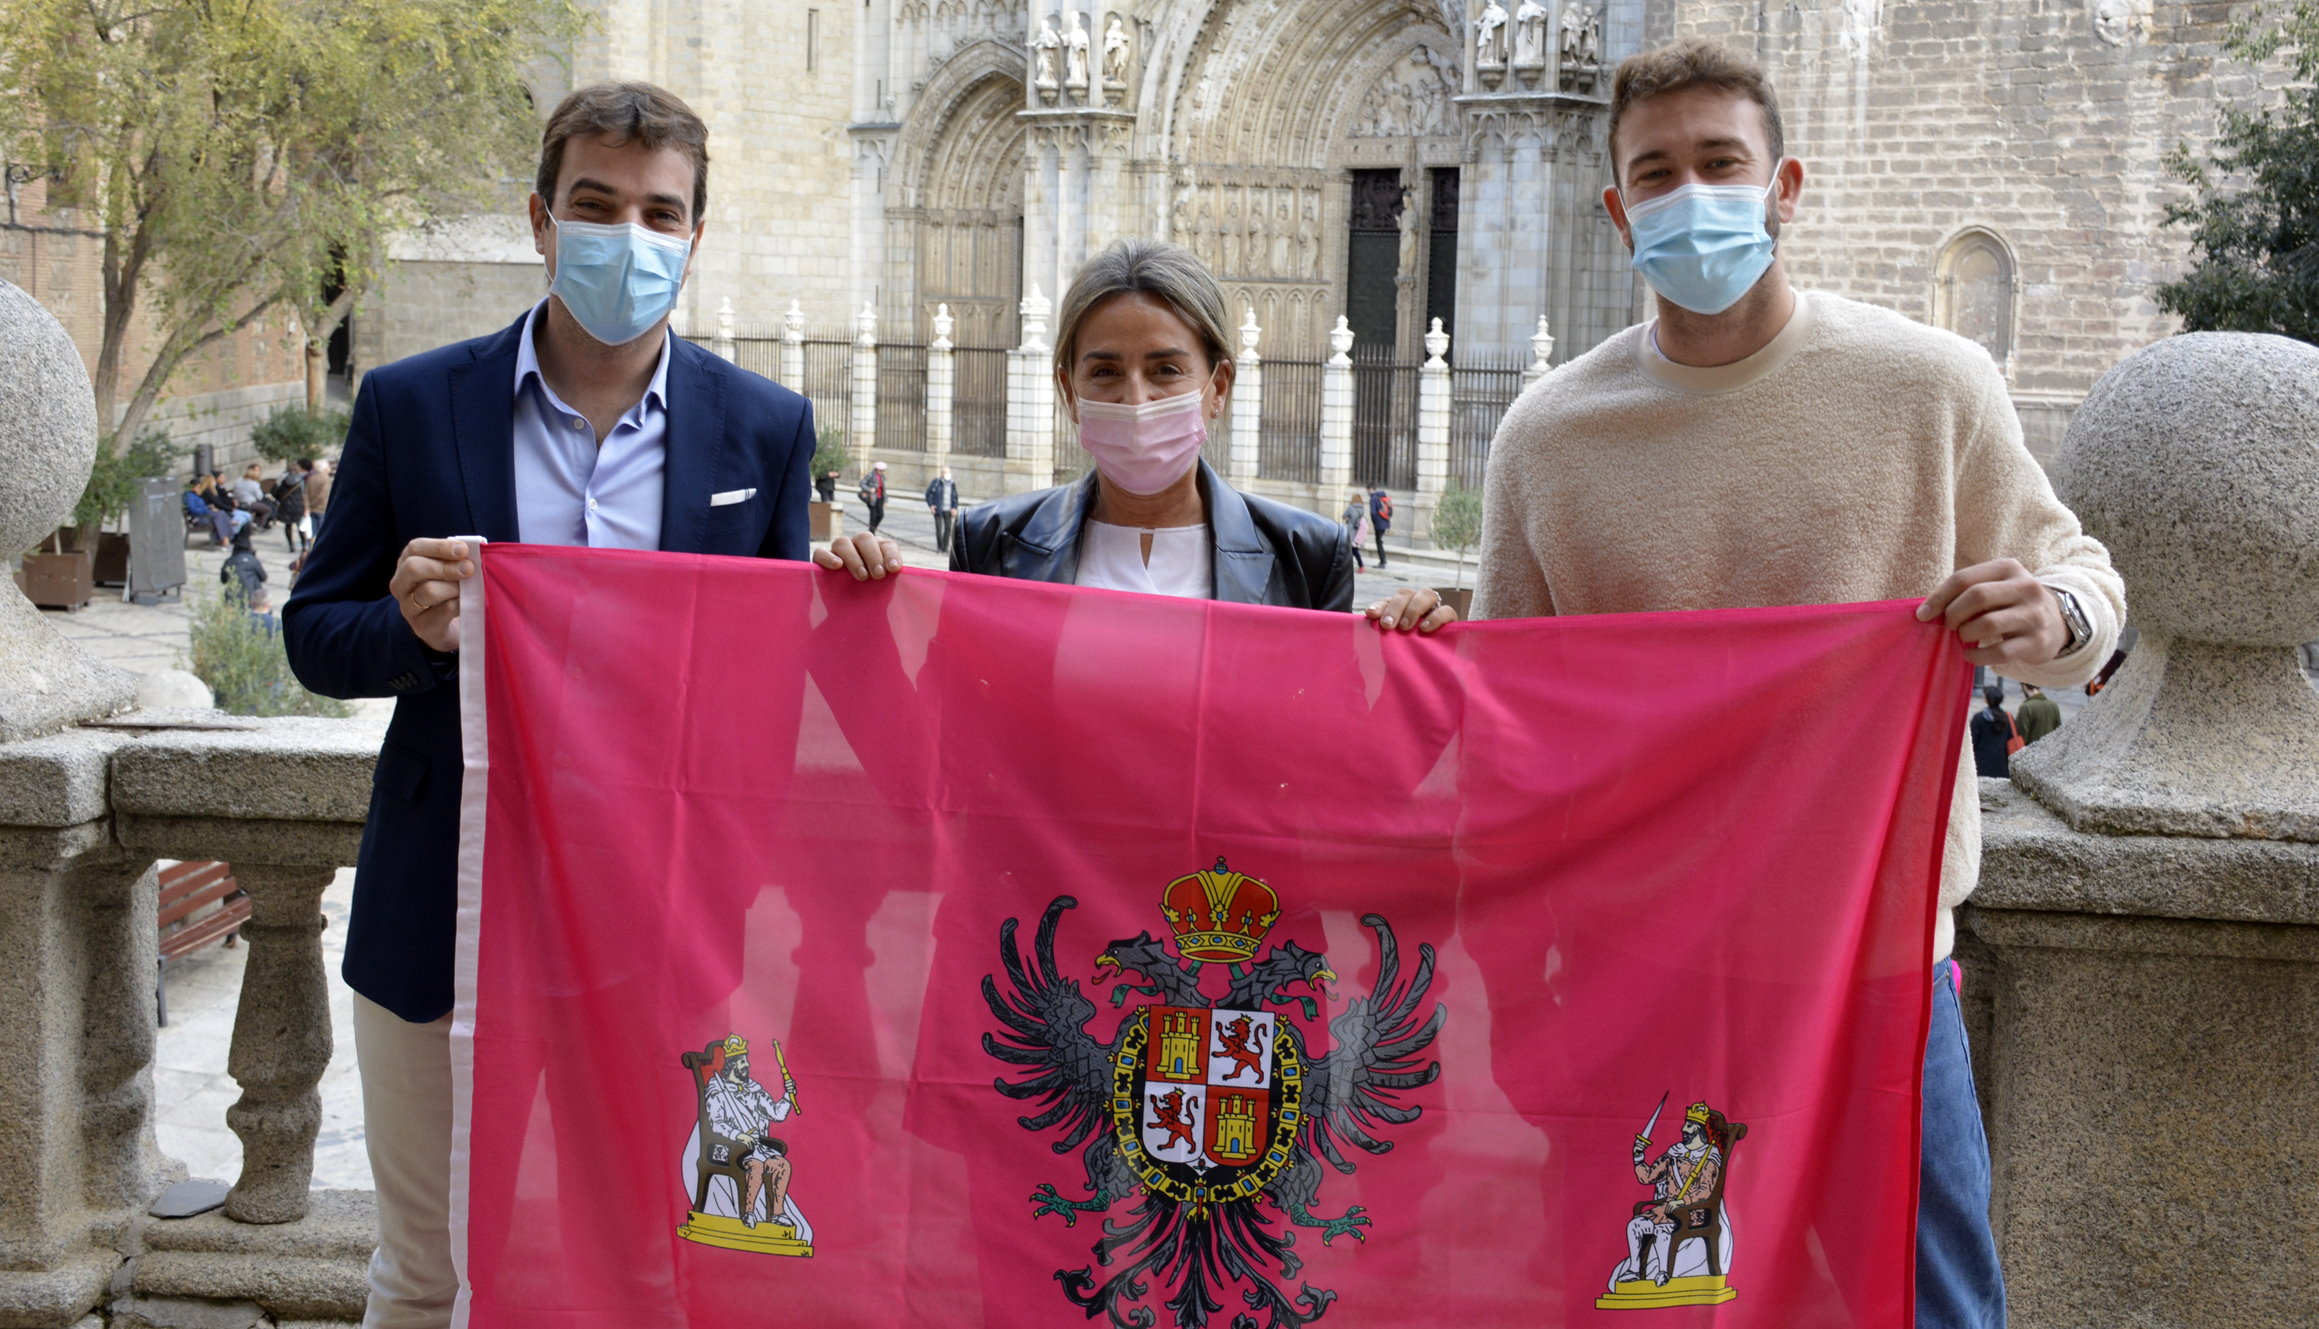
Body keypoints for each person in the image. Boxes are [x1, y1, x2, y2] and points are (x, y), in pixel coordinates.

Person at [1465, 41, 2125, 1329]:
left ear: (1786, 186)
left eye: (1721, 163)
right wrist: (1427, 657)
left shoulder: (1932, 386)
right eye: (1655, 173)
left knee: (1928, 1300)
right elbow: (1508, 719)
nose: (1690, 194)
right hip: (1642, 969)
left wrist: (2052, 614)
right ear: (1615, 209)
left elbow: (2083, 592)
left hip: (1879, 964)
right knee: (1647, 1305)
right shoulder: (1547, 435)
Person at [282, 81, 815, 1329]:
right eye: (596, 204)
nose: (628, 236)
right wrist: (413, 636)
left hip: (656, 921)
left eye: (659, 212)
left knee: (635, 1259)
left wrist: (852, 600)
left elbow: (779, 688)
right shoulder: (415, 404)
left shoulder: (765, 431)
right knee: (421, 1270)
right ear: (539, 217)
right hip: (439, 910)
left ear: (694, 236)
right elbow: (314, 635)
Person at [823, 238, 1359, 611]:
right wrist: (862, 608)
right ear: (1068, 391)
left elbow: (1331, 743)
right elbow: (952, 728)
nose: (1135, 398)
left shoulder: (1306, 555)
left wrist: (1416, 650)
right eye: (1104, 371)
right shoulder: (990, 542)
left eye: (1165, 370)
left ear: (1217, 388)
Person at [1970, 684, 2016, 779]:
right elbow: (2010, 738)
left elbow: (1972, 742)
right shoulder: (2007, 718)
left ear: (1987, 700)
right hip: (2001, 765)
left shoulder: (1979, 718)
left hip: (1981, 765)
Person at [218, 527, 267, 606]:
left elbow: (223, 580)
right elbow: (264, 577)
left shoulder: (229, 561)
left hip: (232, 597)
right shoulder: (253, 560)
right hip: (252, 597)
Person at [272, 460, 310, 555]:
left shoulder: (282, 479)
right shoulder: (301, 480)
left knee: (288, 525)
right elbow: (304, 494)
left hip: (285, 505)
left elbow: (274, 492)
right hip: (298, 506)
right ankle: (304, 545)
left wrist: (280, 499)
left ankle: (291, 545)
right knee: (300, 526)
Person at [925, 466, 960, 553]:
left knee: (948, 528)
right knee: (939, 529)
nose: (948, 474)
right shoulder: (936, 482)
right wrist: (931, 506)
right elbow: (928, 494)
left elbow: (955, 496)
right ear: (942, 474)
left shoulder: (952, 483)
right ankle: (939, 547)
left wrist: (954, 508)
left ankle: (945, 547)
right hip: (938, 509)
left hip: (948, 509)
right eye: (946, 472)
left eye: (949, 472)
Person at [303, 458, 332, 544]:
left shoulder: (311, 478)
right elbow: (323, 495)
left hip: (311, 509)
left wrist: (308, 507)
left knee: (312, 532)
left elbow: (306, 494)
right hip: (321, 509)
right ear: (325, 468)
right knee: (321, 533)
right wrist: (314, 504)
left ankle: (310, 549)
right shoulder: (326, 479)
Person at [1341, 490, 1371, 570]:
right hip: (1358, 531)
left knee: (1352, 550)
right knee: (1353, 550)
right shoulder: (1361, 508)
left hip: (1351, 531)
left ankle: (1360, 566)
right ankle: (1353, 566)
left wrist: (1348, 519)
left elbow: (1344, 516)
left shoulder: (1351, 508)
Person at [859, 461, 888, 533]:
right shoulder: (870, 475)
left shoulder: (882, 477)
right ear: (876, 469)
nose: (881, 472)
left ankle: (872, 529)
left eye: (883, 470)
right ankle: (871, 532)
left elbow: (884, 489)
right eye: (880, 470)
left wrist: (885, 500)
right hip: (872, 498)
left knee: (881, 515)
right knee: (873, 515)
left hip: (880, 498)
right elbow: (862, 483)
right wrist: (869, 489)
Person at [1367, 485, 1393, 567]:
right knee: (1379, 541)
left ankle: (1382, 562)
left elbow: (1373, 513)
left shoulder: (1373, 499)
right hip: (1385, 522)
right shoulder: (1382, 496)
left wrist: (1374, 522)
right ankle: (1383, 560)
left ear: (1371, 489)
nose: (1367, 492)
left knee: (1378, 542)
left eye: (1368, 490)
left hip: (1378, 523)